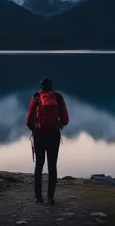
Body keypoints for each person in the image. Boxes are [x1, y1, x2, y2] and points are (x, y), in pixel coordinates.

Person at [26, 77, 69, 205]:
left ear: (41, 86)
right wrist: (58, 124)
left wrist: (35, 129)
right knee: (52, 166)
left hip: (39, 136)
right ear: (51, 86)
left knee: (39, 165)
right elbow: (65, 120)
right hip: (54, 136)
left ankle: (38, 197)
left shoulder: (36, 98)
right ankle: (51, 197)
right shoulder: (58, 97)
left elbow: (28, 121)